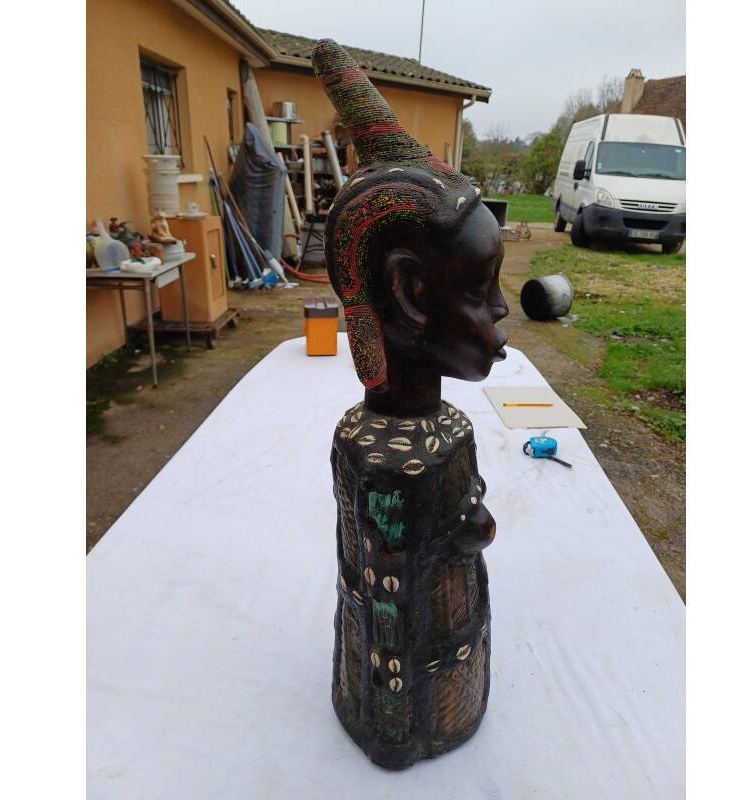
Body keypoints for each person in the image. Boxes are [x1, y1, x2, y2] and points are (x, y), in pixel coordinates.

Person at [313, 39, 509, 770]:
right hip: (410, 697)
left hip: (455, 662)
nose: (501, 311)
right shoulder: (381, 459)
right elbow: (386, 609)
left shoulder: (442, 430)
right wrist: (396, 732)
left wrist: (465, 523)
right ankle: (396, 735)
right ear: (409, 294)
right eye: (478, 288)